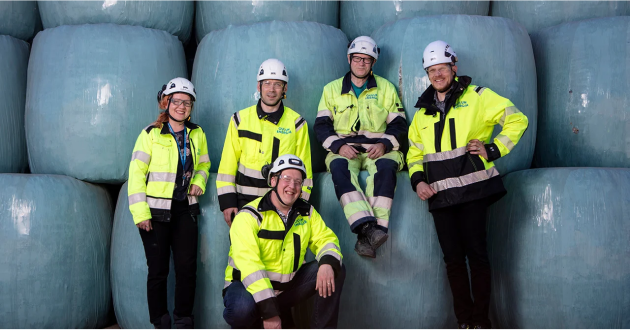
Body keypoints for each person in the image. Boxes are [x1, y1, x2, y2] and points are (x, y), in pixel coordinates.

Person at [408, 40, 529, 330]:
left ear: (454, 68)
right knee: (452, 261)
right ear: (427, 74)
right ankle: (464, 322)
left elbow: (517, 119)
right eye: (432, 70)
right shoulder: (422, 112)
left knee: (477, 257)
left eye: (442, 68)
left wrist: (493, 149)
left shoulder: (477, 96)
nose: (437, 74)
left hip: (474, 191)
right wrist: (418, 181)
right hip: (440, 196)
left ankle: (481, 321)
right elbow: (414, 153)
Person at [222, 154, 345, 330]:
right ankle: (263, 319)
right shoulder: (248, 216)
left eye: (298, 181)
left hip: (286, 289)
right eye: (286, 178)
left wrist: (326, 263)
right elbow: (251, 267)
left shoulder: (306, 212)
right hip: (246, 288)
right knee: (241, 310)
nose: (292, 186)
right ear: (273, 181)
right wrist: (270, 312)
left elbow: (326, 239)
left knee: (334, 267)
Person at [128, 77, 210, 330]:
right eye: (176, 101)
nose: (181, 107)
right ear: (166, 102)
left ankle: (184, 322)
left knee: (187, 269)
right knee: (158, 271)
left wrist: (200, 181)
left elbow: (204, 164)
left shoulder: (197, 134)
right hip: (154, 213)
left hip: (185, 209)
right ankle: (160, 323)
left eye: (187, 102)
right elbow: (136, 174)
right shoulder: (150, 134)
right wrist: (141, 213)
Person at [314, 36, 407, 258]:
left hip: (379, 150)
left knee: (386, 169)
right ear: (349, 59)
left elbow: (399, 124)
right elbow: (321, 126)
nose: (362, 63)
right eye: (357, 58)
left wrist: (385, 144)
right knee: (339, 169)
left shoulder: (386, 88)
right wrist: (338, 146)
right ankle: (368, 229)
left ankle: (370, 234)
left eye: (367, 59)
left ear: (374, 62)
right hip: (345, 150)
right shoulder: (331, 89)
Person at [217, 59, 313, 228]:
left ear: (285, 88)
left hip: (282, 203)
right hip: (244, 203)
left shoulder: (297, 124)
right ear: (258, 86)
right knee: (242, 252)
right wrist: (227, 201)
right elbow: (227, 165)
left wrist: (300, 204)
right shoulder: (239, 120)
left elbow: (305, 172)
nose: (271, 89)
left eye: (277, 84)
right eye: (267, 83)